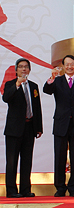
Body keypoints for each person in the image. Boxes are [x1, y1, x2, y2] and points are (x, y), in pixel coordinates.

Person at [43, 55, 74, 197]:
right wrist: (51, 78)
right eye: (67, 64)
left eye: (72, 64)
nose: (70, 67)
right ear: (63, 66)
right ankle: (60, 187)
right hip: (61, 123)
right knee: (60, 156)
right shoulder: (57, 81)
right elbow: (46, 90)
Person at [3, 58, 43, 198]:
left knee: (27, 160)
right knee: (12, 161)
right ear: (16, 70)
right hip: (14, 130)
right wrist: (17, 84)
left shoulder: (33, 86)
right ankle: (12, 191)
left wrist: (38, 127)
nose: (24, 69)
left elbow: (37, 108)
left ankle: (25, 189)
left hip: (29, 127)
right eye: (21, 67)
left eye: (26, 67)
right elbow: (6, 98)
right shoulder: (10, 84)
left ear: (30, 70)